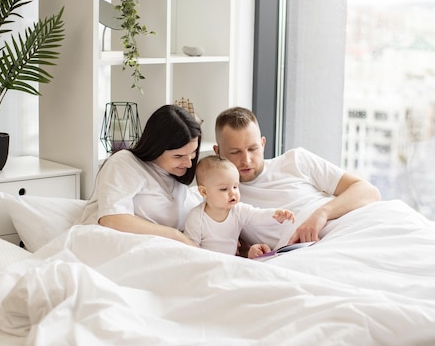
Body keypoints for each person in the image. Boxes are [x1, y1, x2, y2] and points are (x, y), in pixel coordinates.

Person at [213, 107, 382, 253]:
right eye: (235, 152)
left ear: (263, 144)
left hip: (354, 223)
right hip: (312, 250)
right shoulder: (219, 197)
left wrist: (322, 214)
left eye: (253, 149)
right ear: (217, 152)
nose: (247, 160)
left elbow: (369, 191)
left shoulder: (296, 160)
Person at [77, 104, 203, 246]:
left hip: (159, 246)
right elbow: (112, 219)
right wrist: (175, 236)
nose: (188, 163)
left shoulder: (176, 177)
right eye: (178, 156)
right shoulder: (124, 163)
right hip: (111, 244)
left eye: (192, 154)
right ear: (156, 147)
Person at [183, 155, 295, 258]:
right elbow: (191, 248)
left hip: (232, 262)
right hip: (207, 263)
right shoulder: (197, 217)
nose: (232, 193)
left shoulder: (238, 210)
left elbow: (258, 215)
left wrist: (276, 215)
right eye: (224, 189)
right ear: (204, 192)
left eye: (235, 187)